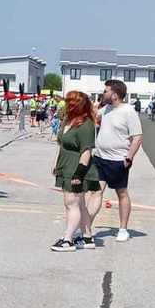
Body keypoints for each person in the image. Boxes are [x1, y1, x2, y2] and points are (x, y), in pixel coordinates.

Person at [50, 91, 102, 252]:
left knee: (71, 204)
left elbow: (86, 152)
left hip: (77, 169)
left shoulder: (85, 124)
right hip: (66, 166)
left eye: (70, 102)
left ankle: (68, 239)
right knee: (79, 204)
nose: (66, 104)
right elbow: (63, 145)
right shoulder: (68, 121)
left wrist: (78, 174)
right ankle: (87, 237)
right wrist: (57, 165)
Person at [93, 80, 143, 242]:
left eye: (106, 91)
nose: (103, 94)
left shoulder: (128, 111)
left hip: (117, 160)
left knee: (121, 193)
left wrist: (129, 156)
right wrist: (94, 108)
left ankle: (123, 229)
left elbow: (137, 137)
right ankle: (86, 228)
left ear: (115, 94)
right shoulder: (106, 109)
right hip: (100, 157)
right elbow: (94, 118)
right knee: (95, 192)